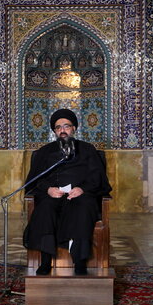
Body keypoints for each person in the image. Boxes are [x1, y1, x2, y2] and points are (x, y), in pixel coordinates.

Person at [23, 109, 112, 276]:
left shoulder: (87, 150)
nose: (62, 130)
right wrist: (48, 189)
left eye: (66, 126)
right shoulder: (44, 152)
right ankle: (46, 260)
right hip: (53, 196)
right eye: (58, 128)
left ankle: (79, 262)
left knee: (83, 208)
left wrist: (82, 189)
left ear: (74, 128)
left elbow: (97, 177)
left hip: (80, 195)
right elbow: (34, 180)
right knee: (45, 209)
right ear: (54, 131)